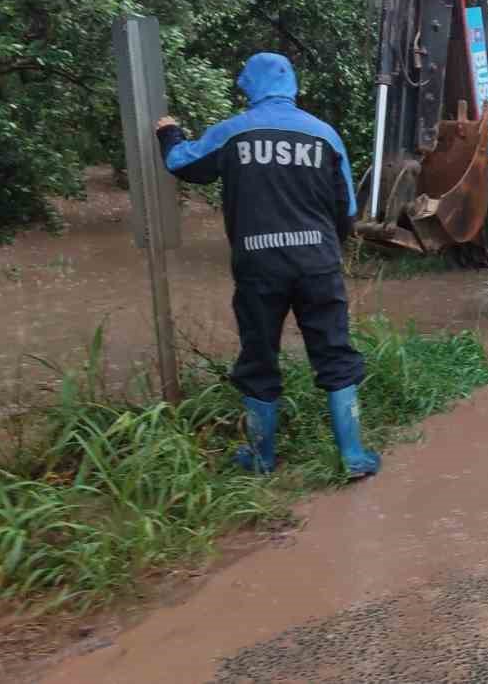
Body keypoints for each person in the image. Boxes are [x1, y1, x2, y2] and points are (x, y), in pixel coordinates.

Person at [155, 52, 379, 479]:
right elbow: (346, 209)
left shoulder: (233, 133)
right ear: (291, 85)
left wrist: (169, 132)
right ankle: (352, 456)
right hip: (318, 266)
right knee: (335, 354)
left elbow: (182, 163)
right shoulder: (325, 136)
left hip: (259, 267)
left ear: (251, 86)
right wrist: (326, 250)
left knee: (259, 358)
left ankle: (260, 459)